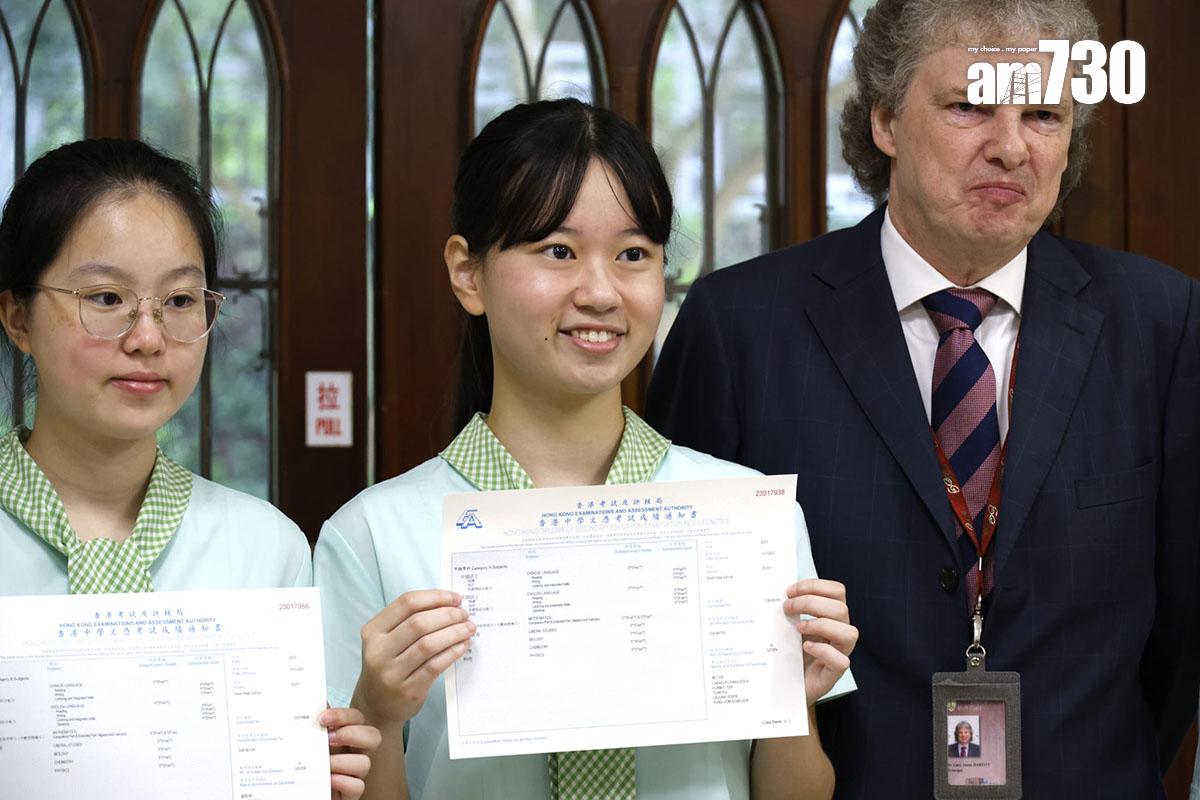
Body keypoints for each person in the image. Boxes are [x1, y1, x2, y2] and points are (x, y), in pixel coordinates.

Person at [644, 0, 1199, 797]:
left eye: (1043, 115)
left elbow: (1180, 630)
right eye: (969, 106)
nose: (1010, 146)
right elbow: (687, 620)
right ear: (886, 121)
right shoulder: (739, 329)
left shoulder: (1162, 324)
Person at [314, 98, 857, 800]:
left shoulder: (749, 520)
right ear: (468, 273)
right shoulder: (371, 535)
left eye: (633, 255)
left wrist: (793, 701)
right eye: (558, 251)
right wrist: (381, 713)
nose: (600, 293)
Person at [0, 138, 379, 799]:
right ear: (18, 317)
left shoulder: (267, 549)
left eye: (179, 301)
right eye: (106, 297)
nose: (148, 338)